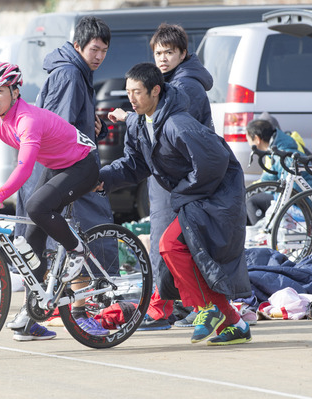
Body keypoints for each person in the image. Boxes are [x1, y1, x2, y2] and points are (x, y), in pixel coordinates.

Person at [0, 61, 100, 341]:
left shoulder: (27, 119)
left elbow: (24, 168)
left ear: (14, 90)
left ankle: (77, 251)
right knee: (30, 244)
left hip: (82, 164)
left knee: (37, 206)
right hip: (56, 165)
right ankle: (31, 318)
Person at [99, 63, 252, 345]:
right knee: (185, 256)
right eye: (128, 91)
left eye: (137, 92)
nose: (131, 98)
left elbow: (214, 162)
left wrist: (183, 192)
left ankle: (208, 308)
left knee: (170, 245)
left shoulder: (177, 123)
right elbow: (134, 165)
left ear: (156, 91)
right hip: (195, 197)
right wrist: (103, 179)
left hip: (217, 196)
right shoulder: (142, 121)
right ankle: (234, 323)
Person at [10, 15, 113, 338]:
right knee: (79, 239)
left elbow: (65, 123)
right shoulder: (70, 73)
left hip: (51, 167)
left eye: (104, 51)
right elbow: (59, 126)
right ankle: (79, 313)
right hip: (62, 168)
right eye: (94, 49)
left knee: (37, 242)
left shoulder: (73, 71)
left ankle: (27, 317)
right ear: (78, 45)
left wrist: (92, 125)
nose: (98, 56)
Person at [108, 23, 213, 331]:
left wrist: (129, 118)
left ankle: (168, 309)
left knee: (170, 242)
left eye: (170, 52)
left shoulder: (186, 86)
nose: (163, 58)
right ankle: (179, 306)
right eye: (158, 53)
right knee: (173, 243)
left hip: (178, 176)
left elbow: (165, 125)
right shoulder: (171, 81)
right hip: (171, 175)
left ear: (184, 53)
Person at [245, 116, 312, 225]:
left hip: (302, 205)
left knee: (251, 201)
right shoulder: (277, 150)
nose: (248, 143)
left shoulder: (283, 154)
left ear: (257, 139)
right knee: (248, 197)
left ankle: (262, 235)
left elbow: (290, 190)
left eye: (248, 139)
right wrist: (252, 190)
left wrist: (269, 192)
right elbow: (270, 177)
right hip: (295, 200)